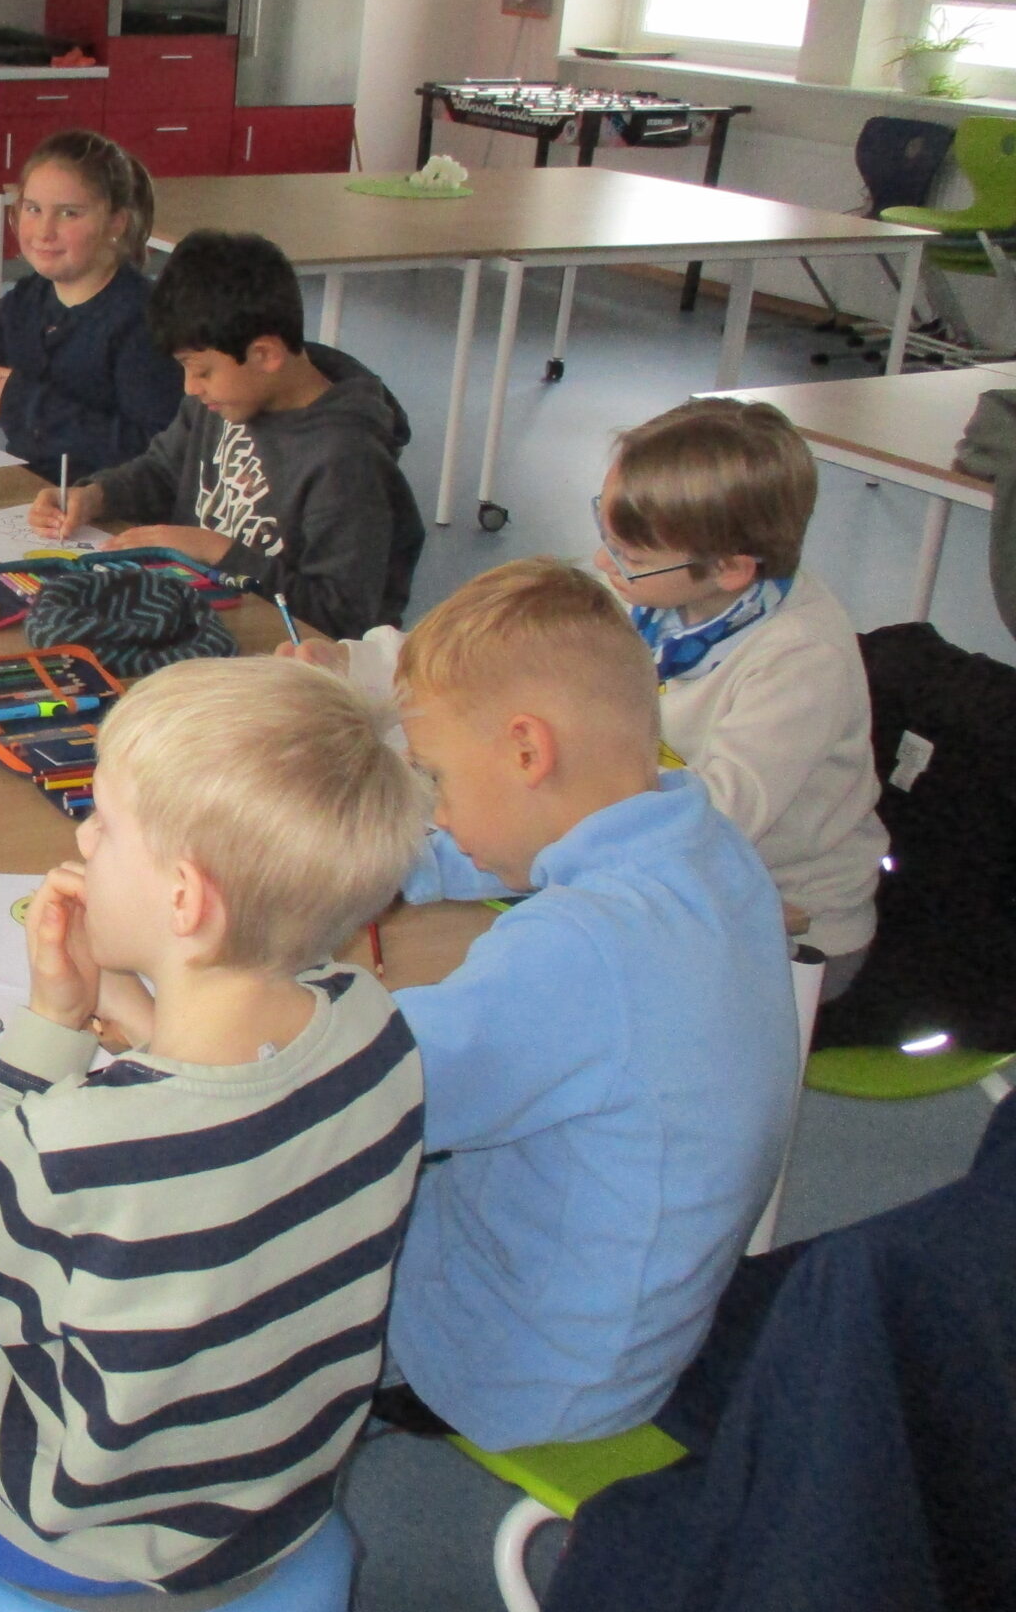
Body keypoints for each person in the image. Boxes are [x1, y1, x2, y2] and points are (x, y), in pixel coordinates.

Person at [0, 659, 431, 1609]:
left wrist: (53, 1023)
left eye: (105, 822)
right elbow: (235, 1131)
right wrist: (154, 1024)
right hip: (279, 1498)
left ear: (185, 901)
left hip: (79, 1532)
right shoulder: (376, 1027)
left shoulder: (78, 1142)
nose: (83, 837)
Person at [375, 558, 798, 1452]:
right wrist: (367, 865)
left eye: (437, 779)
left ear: (528, 751)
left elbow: (360, 1096)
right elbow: (507, 851)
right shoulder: (704, 843)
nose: (437, 814)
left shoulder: (577, 950)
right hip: (638, 1323)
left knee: (254, 1203)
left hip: (525, 1368)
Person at [301, 398, 886, 993]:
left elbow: (703, 828)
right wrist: (352, 664)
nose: (605, 561)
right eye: (606, 534)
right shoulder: (656, 591)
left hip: (781, 928)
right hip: (632, 874)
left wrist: (439, 860)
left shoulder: (801, 660)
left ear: (729, 569)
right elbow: (488, 653)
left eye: (630, 555)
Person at [29, 229, 422, 641]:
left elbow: (340, 618)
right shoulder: (226, 396)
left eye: (201, 371)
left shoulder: (347, 460)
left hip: (287, 654)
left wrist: (217, 551)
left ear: (265, 355)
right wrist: (96, 496)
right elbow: (162, 472)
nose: (190, 388)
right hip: (201, 621)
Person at [0, 130, 178, 479]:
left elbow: (155, 454)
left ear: (115, 223)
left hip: (102, 505)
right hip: (33, 493)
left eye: (69, 214)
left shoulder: (143, 319)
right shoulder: (29, 300)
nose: (44, 231)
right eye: (33, 209)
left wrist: (28, 408)